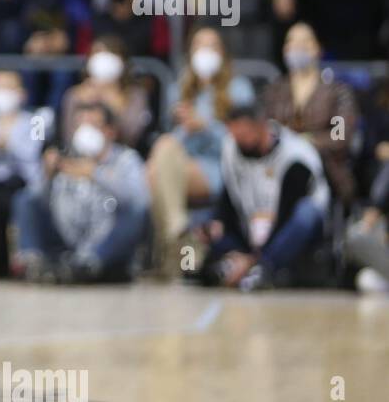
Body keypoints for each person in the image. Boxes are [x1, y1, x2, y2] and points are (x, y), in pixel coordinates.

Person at [146, 27, 255, 276]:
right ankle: (181, 237)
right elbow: (172, 144)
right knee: (159, 159)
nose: (204, 52)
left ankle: (171, 249)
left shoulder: (238, 89)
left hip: (221, 167)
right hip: (181, 166)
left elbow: (243, 140)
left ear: (223, 54)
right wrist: (183, 129)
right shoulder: (180, 89)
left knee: (155, 172)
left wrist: (205, 127)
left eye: (212, 46)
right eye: (198, 46)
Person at [11, 101, 150, 284]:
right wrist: (47, 175)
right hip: (67, 239)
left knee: (135, 213)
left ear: (110, 131)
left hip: (107, 244)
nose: (84, 131)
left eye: (92, 125)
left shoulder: (126, 159)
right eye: (80, 125)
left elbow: (139, 202)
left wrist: (95, 173)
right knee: (25, 199)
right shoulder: (64, 158)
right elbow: (36, 196)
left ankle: (89, 265)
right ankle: (34, 262)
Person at [201, 103, 330, 291]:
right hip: (249, 227)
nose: (239, 142)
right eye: (235, 137)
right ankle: (226, 264)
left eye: (244, 136)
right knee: (206, 225)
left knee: (305, 214)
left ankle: (263, 269)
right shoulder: (231, 148)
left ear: (261, 126)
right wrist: (218, 224)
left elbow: (286, 213)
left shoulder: (296, 156)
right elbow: (229, 197)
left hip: (288, 230)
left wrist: (255, 258)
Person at [261, 22, 359, 205]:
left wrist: (307, 142)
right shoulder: (274, 91)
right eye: (291, 42)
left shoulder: (337, 92)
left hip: (325, 170)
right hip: (278, 169)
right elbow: (266, 129)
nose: (297, 48)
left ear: (317, 49)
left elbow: (340, 136)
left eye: (304, 42)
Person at [0, 70, 43, 277]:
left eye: (8, 87)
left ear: (21, 93)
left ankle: (27, 263)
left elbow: (34, 156)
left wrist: (9, 143)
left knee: (24, 202)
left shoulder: (37, 121)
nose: (1, 93)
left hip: (22, 182)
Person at [58, 34, 153, 151]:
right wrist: (82, 105)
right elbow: (68, 137)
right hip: (81, 158)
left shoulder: (136, 94)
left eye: (109, 55)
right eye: (97, 54)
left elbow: (132, 135)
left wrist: (112, 99)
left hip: (121, 157)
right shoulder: (75, 94)